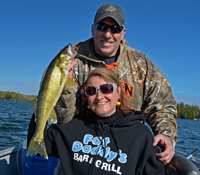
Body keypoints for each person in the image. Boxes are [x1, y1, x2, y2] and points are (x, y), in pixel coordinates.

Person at [55, 3, 178, 165]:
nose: (108, 34)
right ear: (92, 29)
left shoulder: (141, 64)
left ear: (123, 33)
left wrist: (166, 135)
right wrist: (67, 85)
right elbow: (60, 117)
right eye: (102, 27)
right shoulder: (71, 61)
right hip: (80, 149)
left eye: (115, 29)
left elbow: (162, 105)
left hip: (126, 152)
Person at [28, 67, 165, 175]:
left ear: (118, 92)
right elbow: (37, 145)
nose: (99, 97)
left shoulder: (140, 135)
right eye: (91, 90)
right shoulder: (70, 127)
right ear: (86, 96)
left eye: (106, 89)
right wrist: (48, 94)